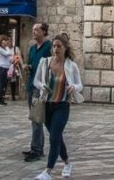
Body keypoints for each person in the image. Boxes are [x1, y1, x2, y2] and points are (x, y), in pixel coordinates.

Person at [32, 33, 83, 180]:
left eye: (59, 46)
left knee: (54, 137)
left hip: (62, 105)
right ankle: (67, 164)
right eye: (54, 46)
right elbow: (36, 81)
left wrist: (74, 87)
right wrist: (42, 85)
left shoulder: (71, 65)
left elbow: (80, 85)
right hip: (47, 105)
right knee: (57, 138)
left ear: (65, 48)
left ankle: (47, 172)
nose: (55, 49)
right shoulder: (45, 62)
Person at [23, 22, 52, 162]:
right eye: (33, 30)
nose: (33, 32)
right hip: (31, 85)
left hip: (40, 87)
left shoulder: (49, 47)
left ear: (44, 31)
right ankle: (36, 147)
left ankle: (37, 150)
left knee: (37, 118)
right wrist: (27, 66)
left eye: (36, 30)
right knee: (35, 119)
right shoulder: (32, 48)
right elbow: (31, 63)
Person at [0, 34, 14, 106]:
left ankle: (2, 99)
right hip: (2, 68)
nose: (6, 42)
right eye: (4, 40)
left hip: (7, 68)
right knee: (1, 85)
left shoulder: (5, 49)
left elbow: (10, 56)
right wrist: (8, 47)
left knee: (5, 85)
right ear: (1, 41)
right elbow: (8, 53)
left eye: (6, 40)